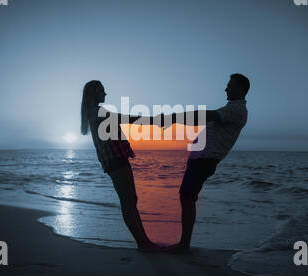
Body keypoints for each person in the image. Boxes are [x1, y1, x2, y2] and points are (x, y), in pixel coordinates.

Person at [164, 73, 250, 251]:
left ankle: (184, 245)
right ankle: (184, 243)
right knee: (187, 197)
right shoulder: (231, 108)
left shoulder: (237, 109)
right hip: (200, 159)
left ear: (241, 88)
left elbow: (204, 115)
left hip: (205, 160)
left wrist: (174, 118)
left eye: (230, 85)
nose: (226, 88)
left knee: (187, 197)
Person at [80, 80, 159, 251]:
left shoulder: (95, 112)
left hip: (117, 158)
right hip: (114, 159)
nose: (105, 94)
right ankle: (143, 243)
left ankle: (144, 241)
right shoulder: (96, 112)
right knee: (127, 200)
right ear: (94, 93)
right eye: (102, 91)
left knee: (131, 199)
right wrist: (153, 120)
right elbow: (126, 118)